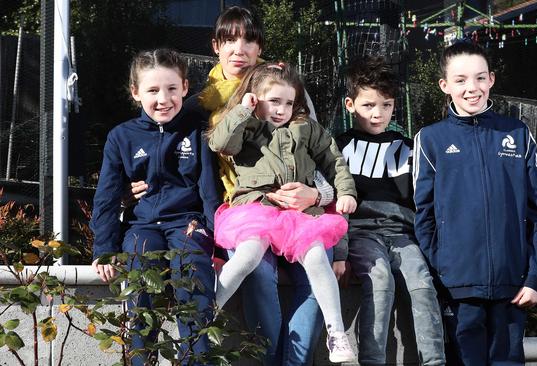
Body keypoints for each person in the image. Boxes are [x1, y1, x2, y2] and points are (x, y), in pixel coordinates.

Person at [127, 7, 335, 365]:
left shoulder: (286, 88)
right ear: (216, 46)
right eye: (230, 40)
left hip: (299, 207)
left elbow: (317, 155)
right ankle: (268, 358)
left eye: (249, 40)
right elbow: (159, 149)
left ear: (260, 47)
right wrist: (138, 186)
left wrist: (319, 194)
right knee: (258, 273)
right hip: (238, 210)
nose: (240, 49)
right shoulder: (197, 104)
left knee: (317, 274)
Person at [413, 41, 537, 365]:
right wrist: (444, 270)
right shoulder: (431, 140)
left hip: (513, 287)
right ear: (444, 86)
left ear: (491, 79)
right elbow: (423, 215)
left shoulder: (517, 134)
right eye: (460, 80)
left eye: (479, 78)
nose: (471, 88)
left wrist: (534, 278)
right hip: (458, 290)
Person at [207, 61, 357, 363]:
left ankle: (336, 332)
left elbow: (334, 161)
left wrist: (346, 192)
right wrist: (243, 110)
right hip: (256, 209)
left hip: (299, 215)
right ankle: (207, 310)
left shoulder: (306, 128)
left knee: (316, 258)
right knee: (248, 256)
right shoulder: (248, 127)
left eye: (289, 102)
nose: (281, 109)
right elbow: (220, 143)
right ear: (255, 97)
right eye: (274, 101)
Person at [90, 48, 220, 365]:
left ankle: (196, 360)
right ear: (136, 93)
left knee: (192, 273)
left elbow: (208, 189)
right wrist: (104, 247)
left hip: (187, 223)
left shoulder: (197, 130)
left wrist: (219, 240)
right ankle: (141, 359)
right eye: (153, 90)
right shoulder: (121, 137)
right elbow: (106, 195)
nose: (163, 99)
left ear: (185, 88)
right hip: (142, 226)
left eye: (172, 89)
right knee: (139, 274)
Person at [332, 55, 446, 365]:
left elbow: (426, 199)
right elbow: (334, 202)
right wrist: (339, 252)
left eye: (386, 105)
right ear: (350, 105)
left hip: (402, 232)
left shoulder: (409, 147)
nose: (378, 113)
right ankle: (373, 360)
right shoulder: (337, 146)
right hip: (361, 232)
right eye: (368, 105)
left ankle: (435, 361)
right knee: (379, 278)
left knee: (422, 281)